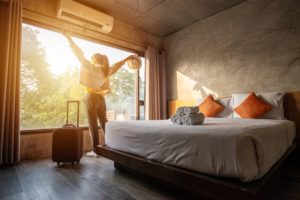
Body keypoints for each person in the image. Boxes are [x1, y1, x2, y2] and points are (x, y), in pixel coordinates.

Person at [64, 32, 134, 157]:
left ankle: (95, 151)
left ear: (94, 60)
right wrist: (126, 59)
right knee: (104, 123)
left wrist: (68, 37)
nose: (90, 60)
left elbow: (78, 53)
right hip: (101, 99)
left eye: (92, 59)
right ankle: (112, 146)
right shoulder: (106, 72)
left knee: (93, 125)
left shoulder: (90, 67)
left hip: (90, 97)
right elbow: (117, 66)